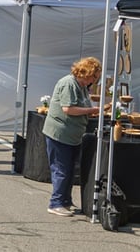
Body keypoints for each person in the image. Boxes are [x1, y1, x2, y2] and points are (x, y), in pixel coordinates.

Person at [43, 57, 104, 216]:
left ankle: (65, 200)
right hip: (60, 134)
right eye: (94, 76)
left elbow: (82, 107)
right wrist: (93, 111)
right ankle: (55, 203)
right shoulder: (69, 83)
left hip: (72, 135)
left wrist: (93, 111)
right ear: (86, 72)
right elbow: (68, 109)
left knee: (69, 170)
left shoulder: (82, 86)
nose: (95, 80)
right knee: (61, 169)